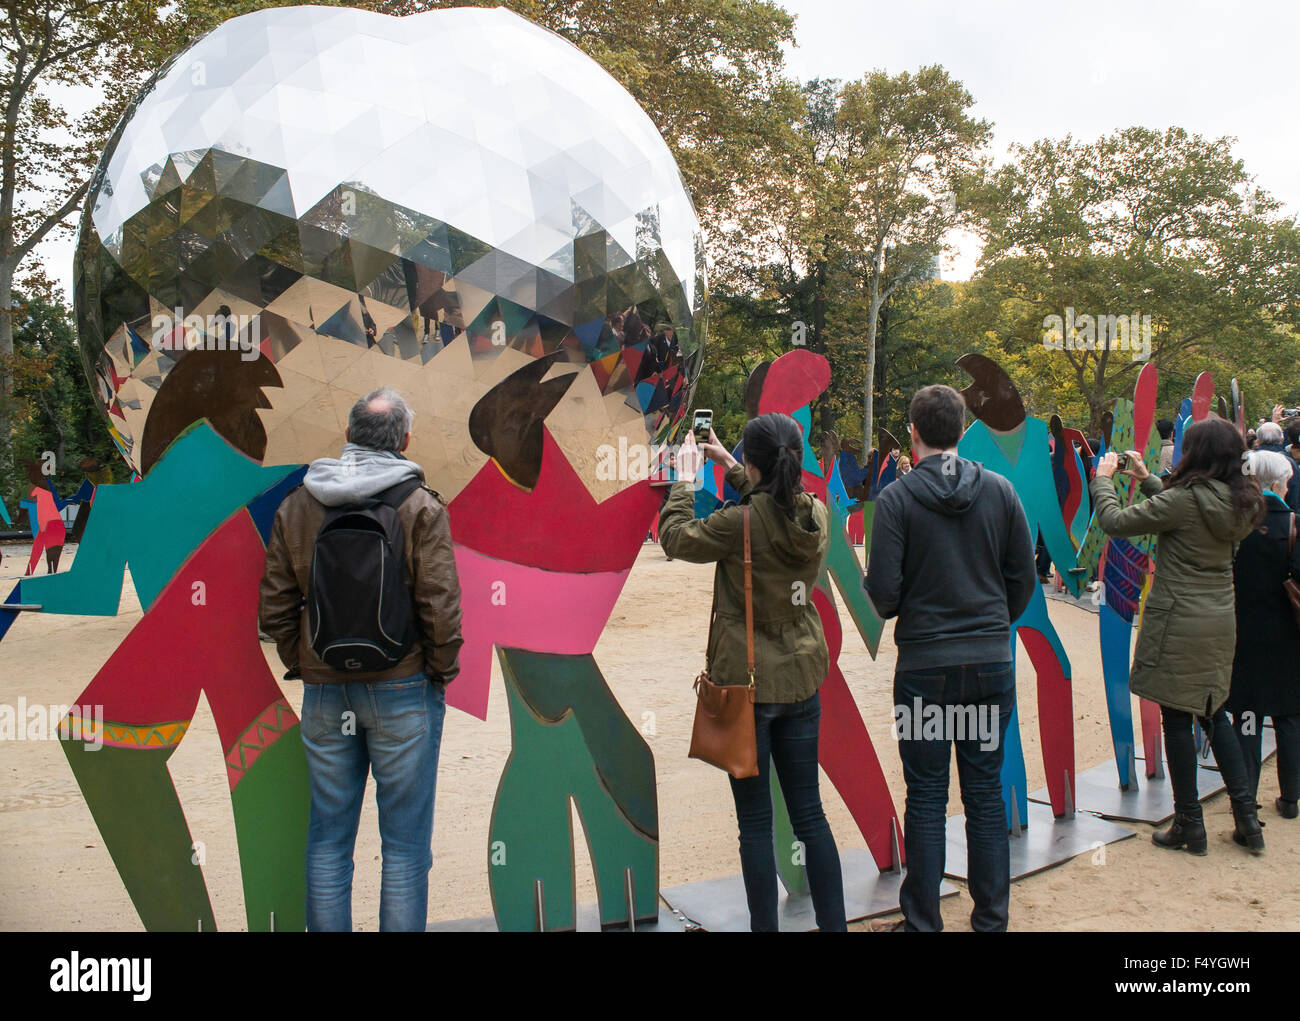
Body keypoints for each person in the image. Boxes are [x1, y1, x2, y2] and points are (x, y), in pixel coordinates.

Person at [259, 386, 464, 930]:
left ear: (348, 437)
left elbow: (274, 605)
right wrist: (438, 673)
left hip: (326, 693)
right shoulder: (421, 506)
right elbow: (440, 606)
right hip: (404, 688)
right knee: (403, 846)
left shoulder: (298, 505)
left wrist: (307, 663)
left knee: (327, 838)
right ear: (406, 441)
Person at [660, 412, 846, 932]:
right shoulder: (816, 515)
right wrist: (729, 461)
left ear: (758, 462)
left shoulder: (737, 523)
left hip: (748, 687)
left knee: (756, 826)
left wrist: (683, 479)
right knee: (811, 816)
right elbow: (776, 504)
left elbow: (675, 537)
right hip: (801, 676)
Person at [866, 384, 1031, 932]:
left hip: (925, 668)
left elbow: (884, 598)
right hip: (988, 663)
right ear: (962, 430)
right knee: (984, 795)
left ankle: (922, 923)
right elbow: (1022, 581)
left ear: (913, 432)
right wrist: (989, 626)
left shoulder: (895, 500)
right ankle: (991, 920)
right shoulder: (1002, 492)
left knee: (928, 795)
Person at [1090, 417, 1265, 856]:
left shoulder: (1187, 498)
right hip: (1219, 618)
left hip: (1179, 621)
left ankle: (1190, 822)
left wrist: (1102, 480)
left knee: (1176, 718)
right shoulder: (1241, 500)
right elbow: (1182, 512)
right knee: (1214, 711)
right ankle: (1248, 818)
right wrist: (1149, 480)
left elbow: (1115, 521)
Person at [1226, 450, 1300, 820]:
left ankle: (1246, 798)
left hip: (1244, 634)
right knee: (1289, 716)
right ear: (1277, 483)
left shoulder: (1238, 525)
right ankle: (1290, 799)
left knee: (1249, 716)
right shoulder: (1295, 526)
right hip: (1288, 635)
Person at [1257, 418, 1299, 511]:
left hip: (1252, 517)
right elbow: (1294, 495)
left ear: (1258, 440)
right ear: (1282, 439)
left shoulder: (1247, 460)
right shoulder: (1288, 463)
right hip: (1283, 517)